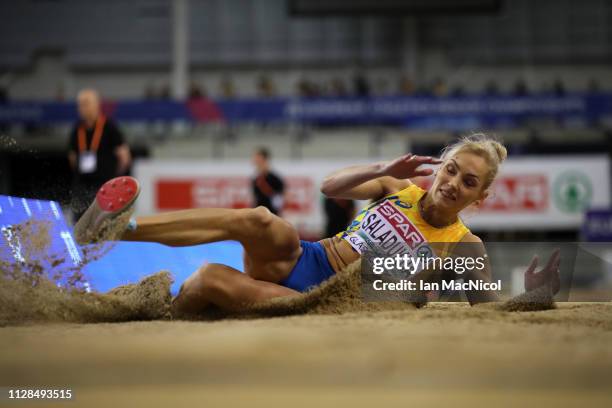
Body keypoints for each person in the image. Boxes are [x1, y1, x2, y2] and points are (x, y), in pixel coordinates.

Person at [74, 134, 560, 315]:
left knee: (206, 280)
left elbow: (487, 304)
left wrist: (535, 297)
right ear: (440, 168)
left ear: (481, 196)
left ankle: (171, 314)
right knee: (261, 219)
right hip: (307, 258)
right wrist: (378, 170)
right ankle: (119, 229)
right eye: (451, 169)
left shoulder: (464, 245)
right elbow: (331, 187)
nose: (453, 183)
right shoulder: (400, 190)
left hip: (324, 302)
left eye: (468, 181)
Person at [67, 89, 131, 220]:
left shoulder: (109, 127)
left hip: (105, 185)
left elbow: (124, 157)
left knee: (105, 224)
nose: (82, 108)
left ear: (97, 105)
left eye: (86, 103)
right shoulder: (76, 129)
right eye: (80, 104)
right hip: (82, 186)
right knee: (79, 223)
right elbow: (72, 157)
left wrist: (113, 175)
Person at [251, 147, 285, 216]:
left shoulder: (274, 178)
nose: (254, 159)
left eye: (257, 157)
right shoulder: (256, 178)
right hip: (259, 212)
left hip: (271, 214)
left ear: (264, 159)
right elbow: (256, 197)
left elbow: (280, 195)